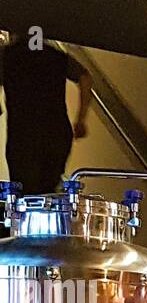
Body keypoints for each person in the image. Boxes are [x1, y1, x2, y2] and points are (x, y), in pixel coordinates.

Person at [0, 32, 93, 193]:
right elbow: (85, 77)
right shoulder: (55, 55)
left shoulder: (7, 56)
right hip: (56, 133)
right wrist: (81, 119)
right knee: (48, 190)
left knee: (24, 192)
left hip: (23, 135)